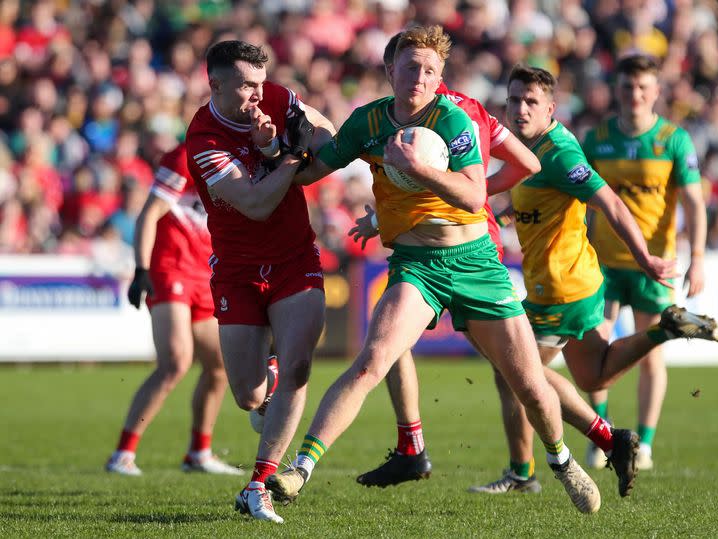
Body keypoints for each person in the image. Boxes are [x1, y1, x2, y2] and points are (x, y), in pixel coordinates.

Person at [268, 25, 603, 515]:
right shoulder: (368, 121)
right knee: (371, 360)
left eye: (430, 71)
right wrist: (275, 161)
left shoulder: (453, 119)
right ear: (390, 71)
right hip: (418, 266)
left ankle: (563, 460)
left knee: (528, 382)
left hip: (476, 264)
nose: (420, 78)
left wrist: (421, 169)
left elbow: (473, 194)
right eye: (410, 68)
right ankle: (300, 468)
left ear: (439, 76)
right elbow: (316, 169)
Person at [352, 32, 638, 497]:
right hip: (438, 243)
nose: (411, 81)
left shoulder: (449, 113)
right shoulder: (460, 108)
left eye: (419, 70)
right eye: (405, 70)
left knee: (522, 374)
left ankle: (531, 462)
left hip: (465, 252)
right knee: (413, 347)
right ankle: (419, 447)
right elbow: (508, 167)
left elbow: (466, 182)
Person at [466, 64, 718, 493]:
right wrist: (502, 215)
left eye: (531, 101)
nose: (520, 109)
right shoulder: (526, 148)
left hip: (561, 290)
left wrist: (645, 258)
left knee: (515, 372)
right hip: (580, 281)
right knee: (593, 378)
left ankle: (527, 471)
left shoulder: (561, 152)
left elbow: (611, 203)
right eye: (514, 100)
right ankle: (664, 332)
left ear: (550, 108)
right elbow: (535, 196)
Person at [185, 40, 335, 523]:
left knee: (299, 368)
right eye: (246, 84)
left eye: (260, 82)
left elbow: (327, 134)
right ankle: (267, 377)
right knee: (249, 395)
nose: (257, 92)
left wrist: (307, 141)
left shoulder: (277, 97)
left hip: (295, 257)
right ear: (216, 84)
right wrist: (288, 157)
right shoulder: (203, 138)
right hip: (238, 268)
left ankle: (257, 486)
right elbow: (254, 203)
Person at [582, 54, 709, 471]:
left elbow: (694, 201)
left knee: (651, 353)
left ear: (656, 92)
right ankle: (603, 436)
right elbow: (575, 200)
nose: (634, 95)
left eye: (642, 88)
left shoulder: (674, 140)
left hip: (655, 266)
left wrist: (698, 259)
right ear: (615, 91)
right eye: (626, 87)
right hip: (601, 265)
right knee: (596, 352)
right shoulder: (596, 139)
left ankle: (646, 443)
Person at [105, 142, 242, 477]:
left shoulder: (241, 160)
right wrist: (141, 269)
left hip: (205, 273)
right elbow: (150, 212)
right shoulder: (186, 156)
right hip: (170, 269)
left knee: (220, 366)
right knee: (175, 363)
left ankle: (198, 452)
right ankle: (123, 453)